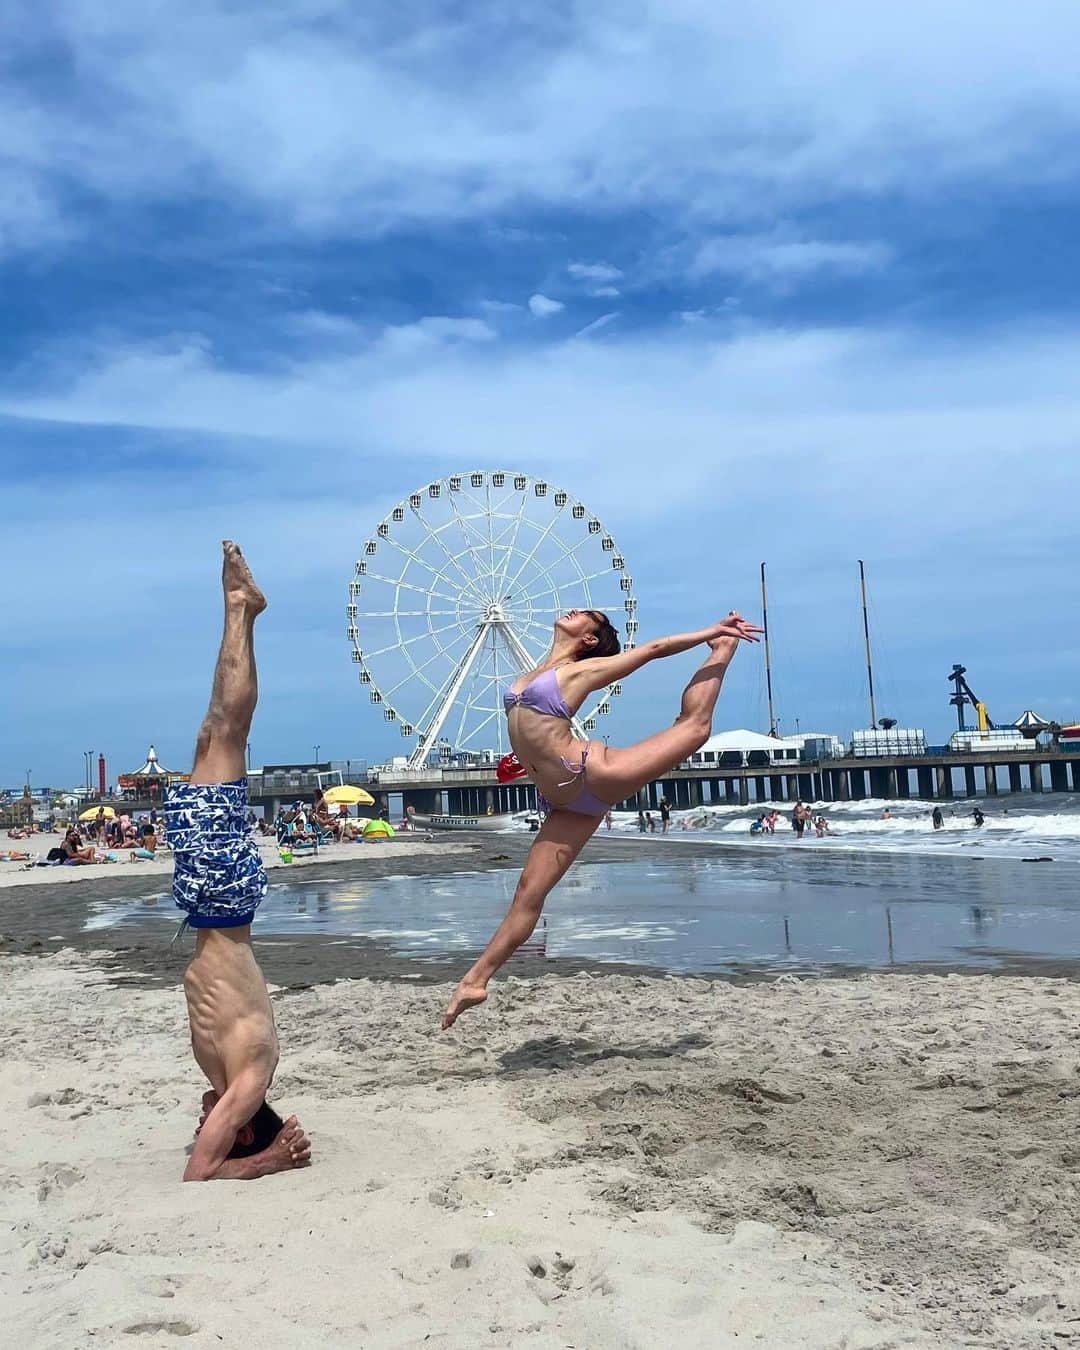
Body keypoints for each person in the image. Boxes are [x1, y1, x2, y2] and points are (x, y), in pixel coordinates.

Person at [441, 606, 761, 1028]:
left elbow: (654, 649)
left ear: (589, 640)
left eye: (584, 616)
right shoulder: (537, 670)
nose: (572, 610)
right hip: (565, 806)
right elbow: (532, 730)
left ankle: (722, 650)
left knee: (695, 726)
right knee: (527, 894)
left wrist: (712, 630)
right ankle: (475, 982)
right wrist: (525, 759)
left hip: (597, 773)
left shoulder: (580, 672)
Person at [166, 541, 310, 1181]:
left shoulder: (233, 1081)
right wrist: (271, 1160)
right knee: (225, 731)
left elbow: (205, 1143)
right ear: (242, 1130)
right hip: (220, 899)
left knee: (213, 734)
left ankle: (242, 612)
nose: (204, 1121)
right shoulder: (250, 1083)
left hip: (211, 902)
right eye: (217, 1127)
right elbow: (197, 1175)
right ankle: (238, 608)